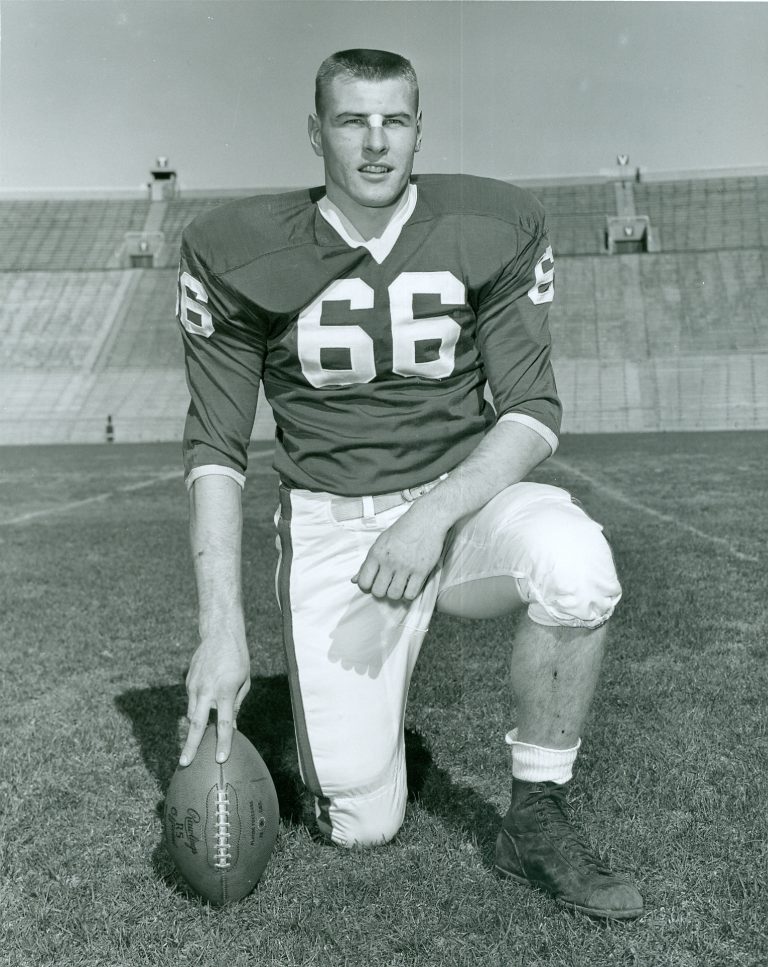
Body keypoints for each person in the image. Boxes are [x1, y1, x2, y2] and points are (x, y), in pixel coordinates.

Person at [175, 48, 642, 921]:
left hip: (461, 506)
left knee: (577, 564)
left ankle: (535, 814)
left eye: (395, 120)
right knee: (362, 823)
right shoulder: (236, 250)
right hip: (336, 525)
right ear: (315, 132)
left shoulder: (492, 223)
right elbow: (217, 449)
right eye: (352, 121)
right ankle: (361, 730)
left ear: (420, 129)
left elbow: (532, 411)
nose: (376, 143)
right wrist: (221, 633)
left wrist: (432, 514)